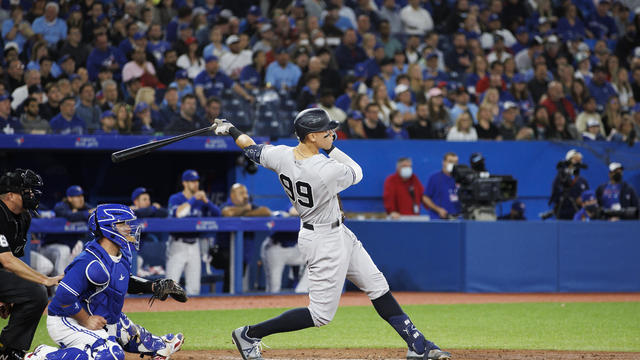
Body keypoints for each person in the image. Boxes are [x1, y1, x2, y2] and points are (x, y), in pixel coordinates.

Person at [212, 109, 451, 360]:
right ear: (312, 136)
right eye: (326, 131)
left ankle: (418, 345)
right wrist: (332, 149)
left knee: (377, 286)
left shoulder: (281, 155)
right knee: (319, 315)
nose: (332, 134)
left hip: (336, 232)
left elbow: (250, 148)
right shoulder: (325, 169)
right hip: (323, 240)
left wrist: (230, 129)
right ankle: (249, 334)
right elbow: (357, 171)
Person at [30, 204, 185, 360]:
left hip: (96, 314)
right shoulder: (89, 261)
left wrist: (153, 286)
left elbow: (122, 279)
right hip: (67, 320)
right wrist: (86, 320)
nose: (129, 228)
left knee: (138, 339)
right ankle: (42, 355)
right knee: (111, 354)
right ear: (108, 228)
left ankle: (158, 345)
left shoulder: (122, 253)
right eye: (123, 224)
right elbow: (64, 296)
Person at [0, 169, 62, 359]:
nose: (32, 194)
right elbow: (6, 260)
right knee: (39, 287)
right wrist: (45, 279)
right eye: (26, 191)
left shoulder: (24, 216)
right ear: (10, 195)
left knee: (34, 293)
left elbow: (11, 258)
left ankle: (9, 349)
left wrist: (8, 295)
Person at [167, 170, 221, 296]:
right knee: (170, 287)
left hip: (195, 245)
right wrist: (192, 200)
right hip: (177, 244)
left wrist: (207, 201)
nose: (195, 184)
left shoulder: (201, 200)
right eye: (192, 181)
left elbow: (218, 214)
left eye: (196, 181)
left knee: (194, 289)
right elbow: (179, 214)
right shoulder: (176, 198)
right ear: (184, 183)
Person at [219, 183, 272, 292]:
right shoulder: (226, 205)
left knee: (239, 286)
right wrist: (245, 210)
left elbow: (266, 211)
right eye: (241, 193)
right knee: (230, 284)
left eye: (246, 193)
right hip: (225, 252)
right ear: (233, 195)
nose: (245, 196)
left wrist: (245, 213)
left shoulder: (249, 206)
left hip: (244, 253)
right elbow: (228, 213)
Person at [40, 185, 92, 277]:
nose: (81, 199)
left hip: (70, 244)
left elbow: (93, 211)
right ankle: (58, 287)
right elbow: (71, 216)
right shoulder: (60, 206)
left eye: (82, 196)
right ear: (69, 198)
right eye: (77, 196)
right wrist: (87, 213)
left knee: (79, 245)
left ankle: (72, 282)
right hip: (49, 246)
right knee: (64, 250)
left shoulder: (84, 207)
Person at [549, 149, 590, 220]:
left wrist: (582, 199)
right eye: (576, 160)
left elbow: (588, 196)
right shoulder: (560, 178)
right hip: (563, 212)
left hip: (578, 213)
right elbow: (555, 195)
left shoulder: (582, 181)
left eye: (579, 161)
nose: (578, 163)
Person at [423, 152, 461, 220]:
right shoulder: (435, 178)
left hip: (457, 219)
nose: (453, 164)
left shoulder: (460, 179)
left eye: (455, 162)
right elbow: (425, 198)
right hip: (438, 218)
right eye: (450, 161)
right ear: (444, 162)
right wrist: (438, 209)